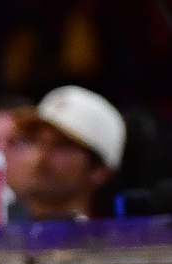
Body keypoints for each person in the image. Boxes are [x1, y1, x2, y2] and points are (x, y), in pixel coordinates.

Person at [7, 85, 124, 222]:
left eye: (61, 145)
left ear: (100, 171)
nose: (42, 155)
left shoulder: (117, 242)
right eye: (34, 140)